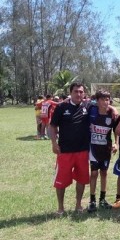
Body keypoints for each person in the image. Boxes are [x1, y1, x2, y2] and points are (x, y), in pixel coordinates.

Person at [50, 82, 91, 215]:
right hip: (65, 151)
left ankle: (78, 205)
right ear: (71, 92)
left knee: (82, 179)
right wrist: (54, 143)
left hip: (82, 150)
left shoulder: (87, 106)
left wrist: (114, 110)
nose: (78, 94)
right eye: (76, 91)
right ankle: (60, 208)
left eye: (81, 92)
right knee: (61, 181)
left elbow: (106, 105)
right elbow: (53, 126)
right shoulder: (61, 107)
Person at [87, 90, 118, 213]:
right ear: (97, 101)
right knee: (94, 173)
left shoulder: (112, 115)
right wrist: (112, 106)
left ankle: (102, 199)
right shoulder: (91, 110)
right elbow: (86, 101)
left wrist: (116, 143)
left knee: (104, 173)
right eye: (103, 99)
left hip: (106, 148)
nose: (105, 102)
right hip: (93, 148)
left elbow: (116, 130)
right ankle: (92, 201)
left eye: (107, 100)